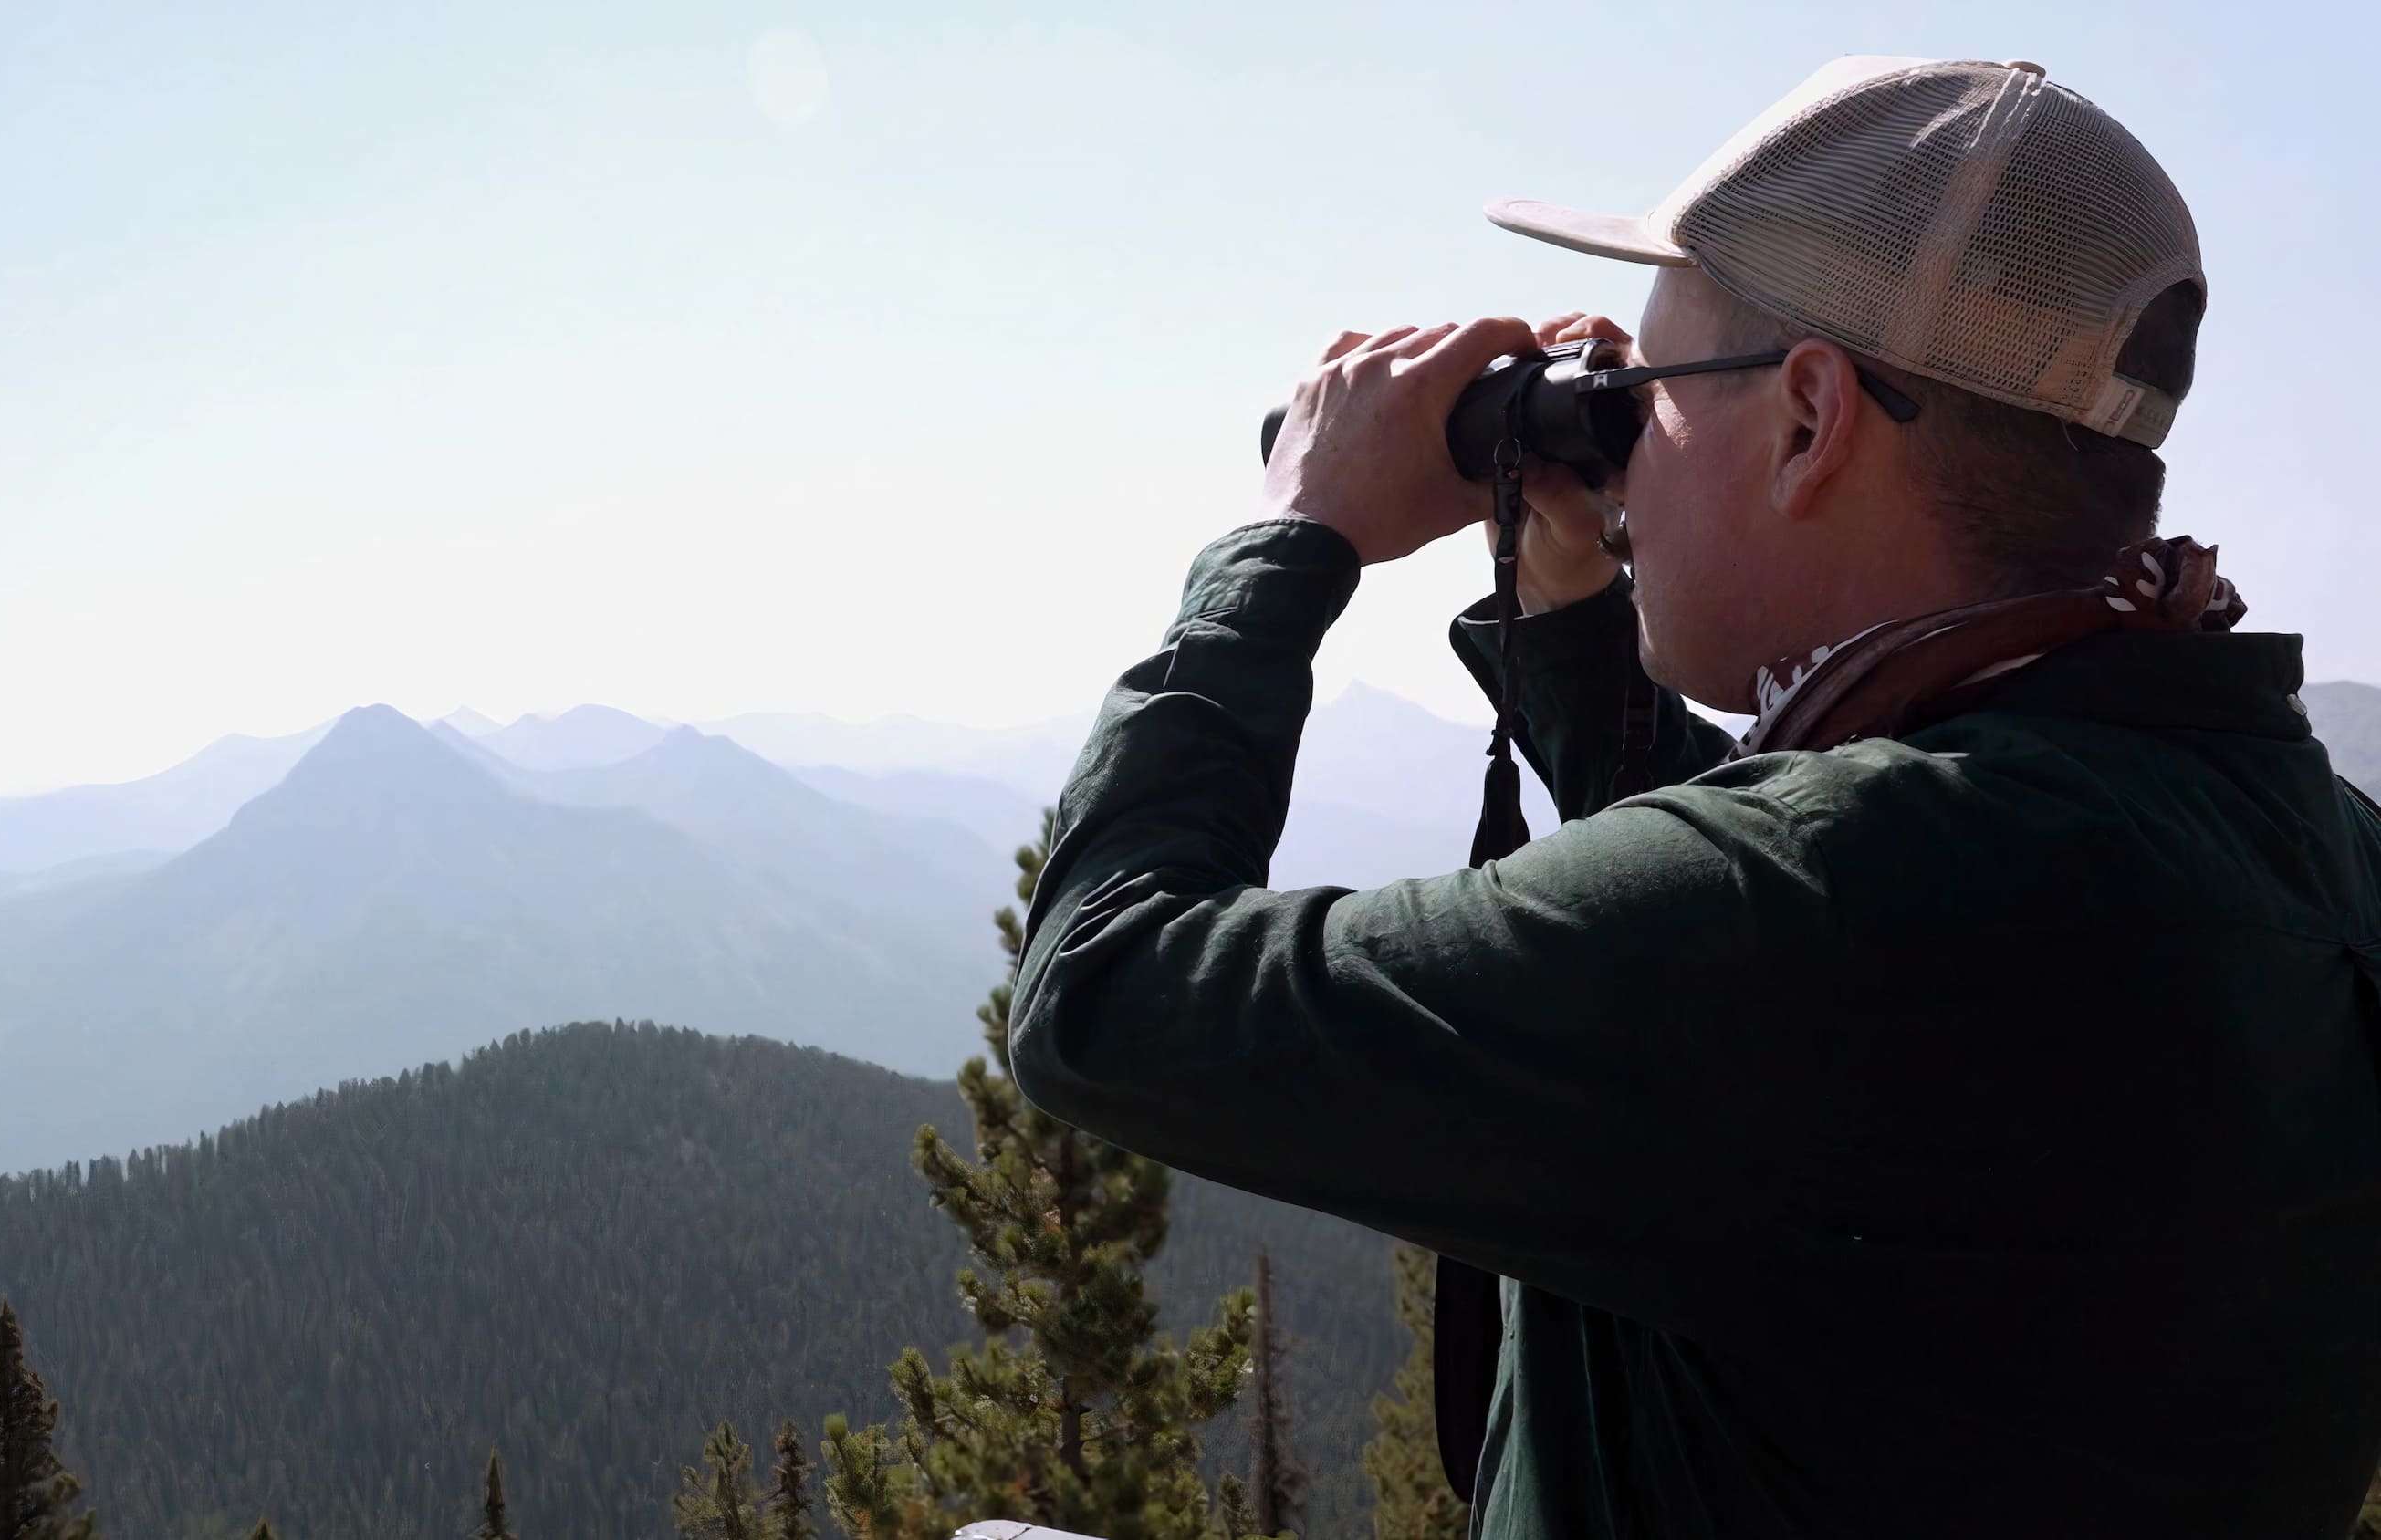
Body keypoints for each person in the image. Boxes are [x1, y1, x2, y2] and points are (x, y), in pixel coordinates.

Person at [1004, 54, 2381, 1539]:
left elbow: (1104, 994)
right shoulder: (2289, 833)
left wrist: (1288, 539)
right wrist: (1587, 623)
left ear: (1807, 419)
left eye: (1645, 400)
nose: (1623, 457)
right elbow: (1798, 1015)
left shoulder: (1832, 914)